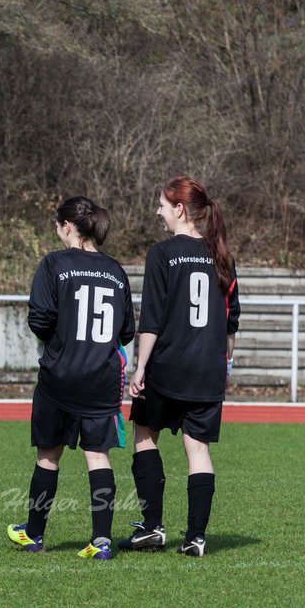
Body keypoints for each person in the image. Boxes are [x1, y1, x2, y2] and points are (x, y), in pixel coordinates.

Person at [6, 196, 135, 559]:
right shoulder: (115, 270)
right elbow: (125, 331)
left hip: (60, 376)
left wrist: (62, 341)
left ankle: (33, 534)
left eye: (57, 225)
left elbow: (39, 319)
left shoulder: (54, 264)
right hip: (102, 378)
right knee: (98, 457)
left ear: (67, 227)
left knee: (48, 456)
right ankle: (102, 540)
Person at [119, 177, 239, 558]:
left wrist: (139, 369)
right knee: (197, 448)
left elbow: (151, 319)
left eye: (161, 205)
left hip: (169, 366)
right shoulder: (221, 254)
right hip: (208, 370)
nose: (158, 212)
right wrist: (227, 364)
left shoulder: (163, 253)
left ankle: (152, 528)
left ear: (180, 209)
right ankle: (196, 538)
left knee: (143, 434)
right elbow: (230, 321)